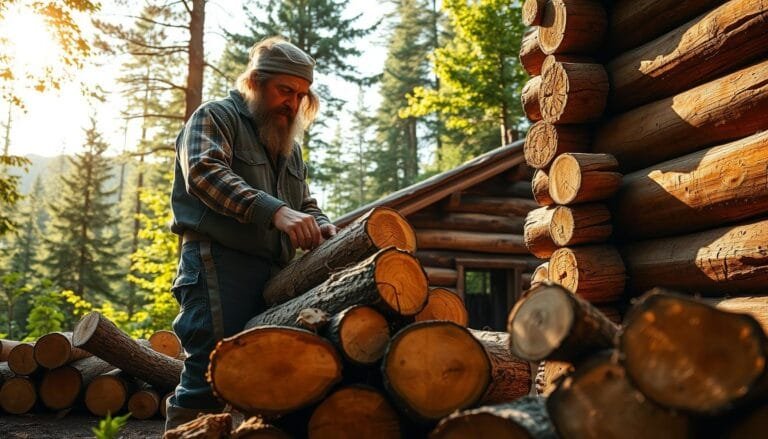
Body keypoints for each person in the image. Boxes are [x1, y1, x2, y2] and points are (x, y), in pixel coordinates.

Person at [165, 36, 337, 431]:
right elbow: (204, 173)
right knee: (209, 376)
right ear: (256, 82)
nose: (292, 103)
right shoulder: (215, 117)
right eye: (285, 90)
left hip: (275, 276)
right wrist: (275, 212)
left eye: (301, 95)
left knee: (264, 377)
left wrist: (321, 222)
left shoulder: (288, 148)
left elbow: (304, 202)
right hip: (217, 264)